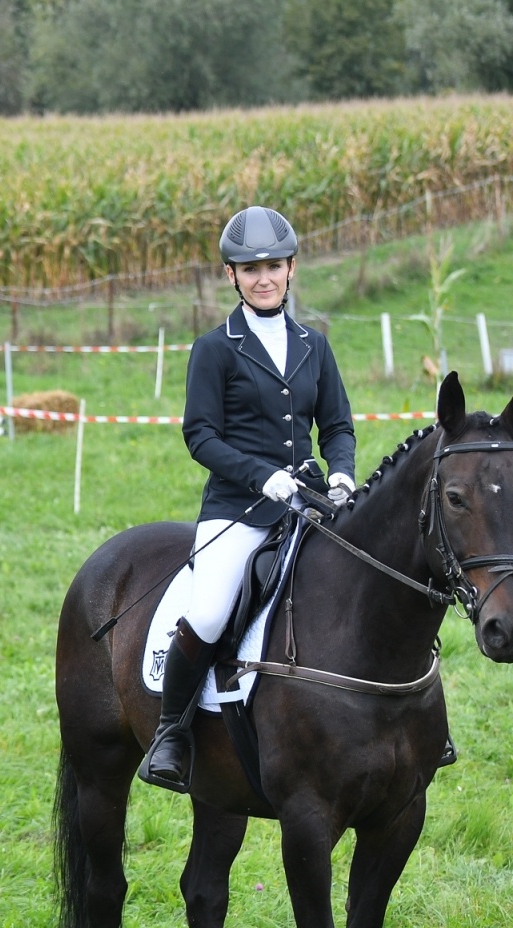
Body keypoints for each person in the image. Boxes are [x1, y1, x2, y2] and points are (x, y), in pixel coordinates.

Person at [139, 206, 356, 794]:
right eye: (251, 268)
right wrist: (262, 476)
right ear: (232, 276)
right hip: (238, 509)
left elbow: (336, 425)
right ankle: (172, 733)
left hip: (309, 501)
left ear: (291, 270)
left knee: (369, 578)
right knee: (208, 610)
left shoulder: (315, 344)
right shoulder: (215, 348)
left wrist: (341, 473)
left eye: (275, 267)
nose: (265, 277)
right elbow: (200, 436)